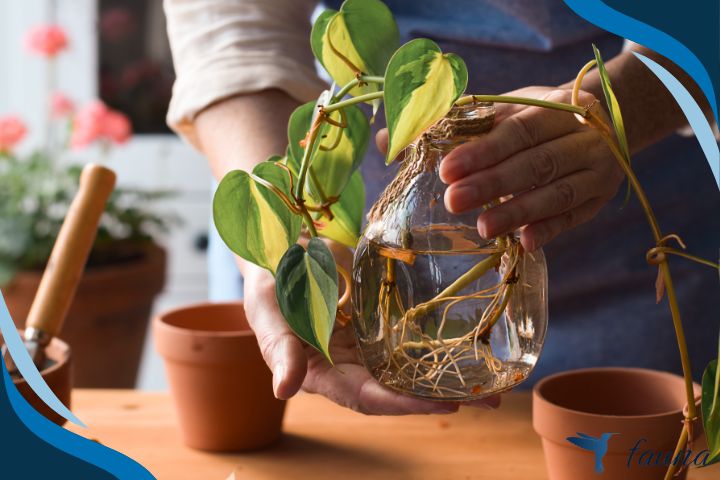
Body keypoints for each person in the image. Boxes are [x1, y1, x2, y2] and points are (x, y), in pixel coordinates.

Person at [164, 0, 720, 415]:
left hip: (653, 205)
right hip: (347, 257)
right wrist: (286, 237)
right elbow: (231, 27)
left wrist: (619, 109)